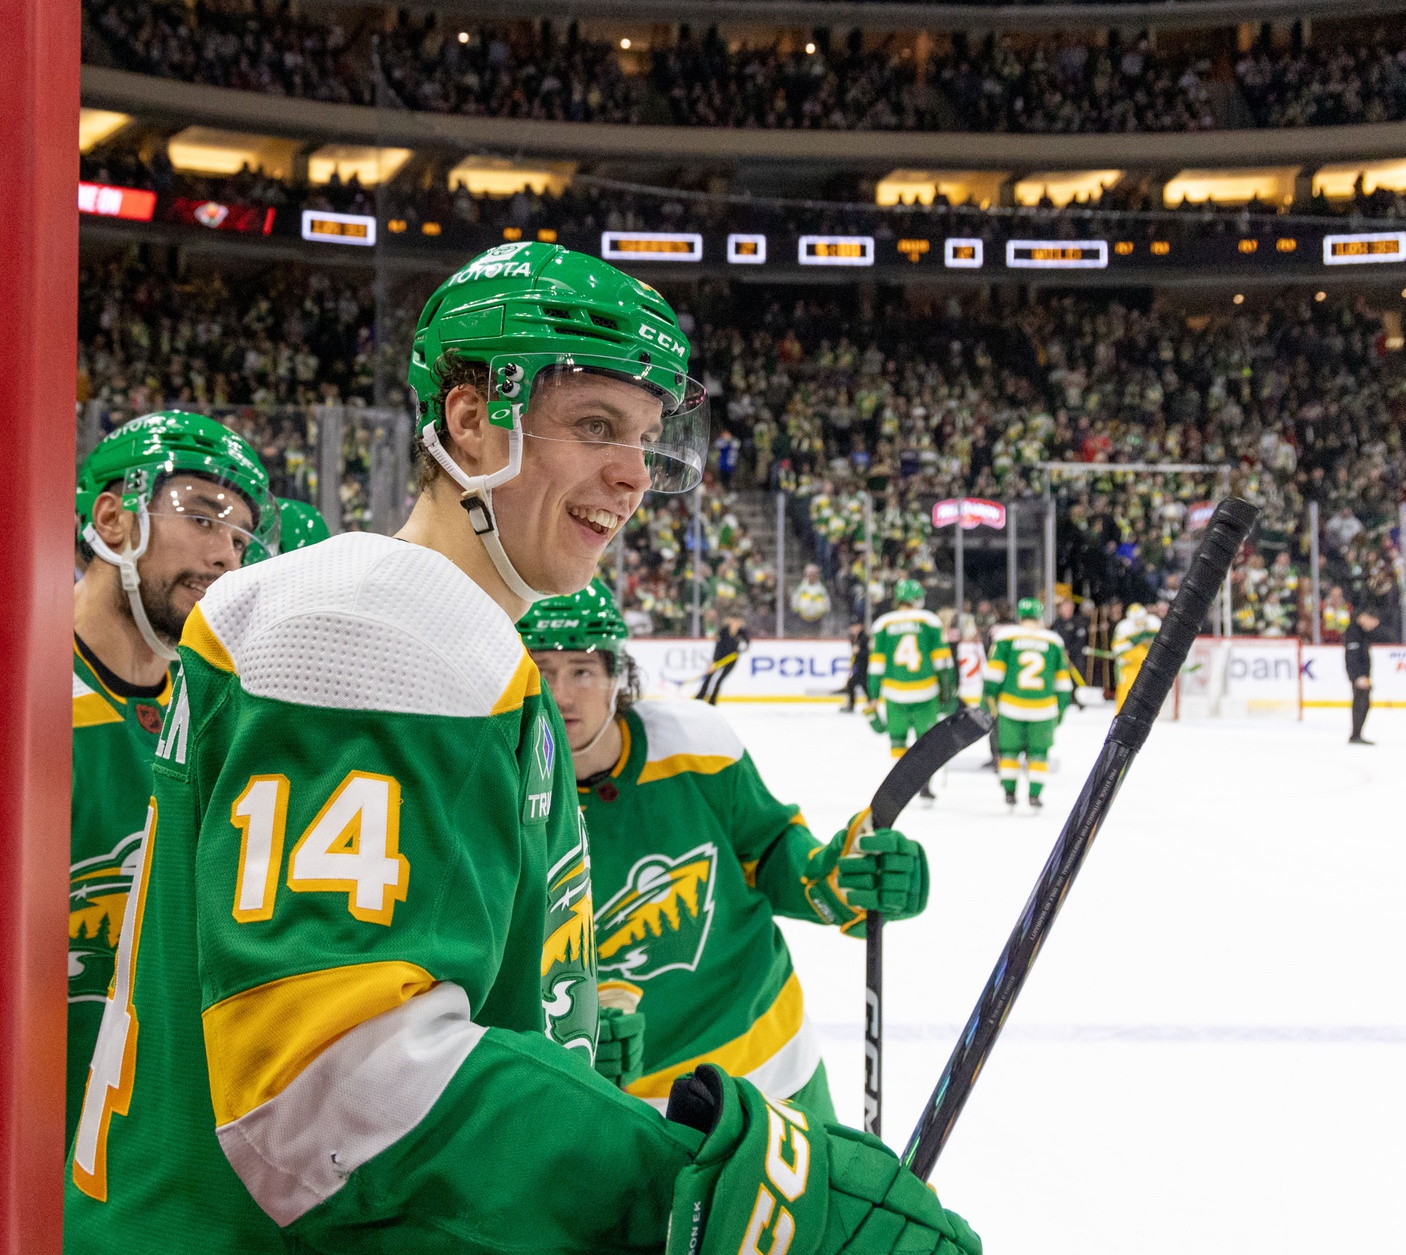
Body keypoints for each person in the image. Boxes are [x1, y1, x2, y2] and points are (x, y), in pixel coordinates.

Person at [65, 242, 978, 1255]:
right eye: (595, 427)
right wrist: (688, 1187)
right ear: (471, 417)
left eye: (645, 439)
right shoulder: (373, 629)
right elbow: (328, 1087)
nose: (633, 476)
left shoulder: (453, 641)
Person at [520, 582, 928, 1126]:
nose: (562, 695)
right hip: (622, 1118)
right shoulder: (494, 791)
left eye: (582, 670)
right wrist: (565, 1035)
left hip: (772, 1075)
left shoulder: (695, 745)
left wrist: (837, 882)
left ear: (617, 677)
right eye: (542, 672)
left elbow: (772, 851)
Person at [67, 412, 277, 1149]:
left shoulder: (222, 709)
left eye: (241, 537)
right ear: (113, 517)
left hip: (141, 1147)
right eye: (203, 516)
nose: (225, 554)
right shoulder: (30, 698)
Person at [983, 598, 1075, 810]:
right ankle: (1034, 795)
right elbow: (1062, 681)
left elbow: (994, 674)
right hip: (1043, 708)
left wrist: (989, 698)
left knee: (1009, 752)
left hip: (1011, 706)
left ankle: (1009, 792)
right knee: (1039, 754)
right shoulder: (1053, 641)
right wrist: (1061, 708)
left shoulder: (1006, 637)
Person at [867, 579, 955, 772]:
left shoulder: (882, 624)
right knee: (926, 740)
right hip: (926, 691)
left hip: (893, 693)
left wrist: (873, 695)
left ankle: (900, 781)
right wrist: (948, 694)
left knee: (897, 740)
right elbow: (943, 664)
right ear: (916, 599)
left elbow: (875, 666)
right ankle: (924, 783)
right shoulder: (930, 621)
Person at [1110, 601, 1160, 709]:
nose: (1140, 622)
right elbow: (1117, 648)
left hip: (1147, 665)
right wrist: (1132, 643)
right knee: (1126, 692)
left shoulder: (1153, 623)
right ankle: (1122, 716)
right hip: (1129, 666)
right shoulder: (1123, 627)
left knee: (1149, 693)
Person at [1344, 608, 1381, 744]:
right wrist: (1357, 676)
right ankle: (1355, 735)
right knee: (1360, 703)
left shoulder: (1363, 632)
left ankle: (1357, 734)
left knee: (1365, 704)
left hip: (1363, 674)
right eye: (1371, 624)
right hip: (1359, 675)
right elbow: (1351, 657)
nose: (1371, 628)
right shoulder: (1353, 631)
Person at [696, 613, 747, 704]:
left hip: (731, 659)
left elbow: (747, 644)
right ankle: (700, 696)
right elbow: (718, 646)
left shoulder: (742, 632)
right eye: (733, 621)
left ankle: (712, 699)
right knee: (709, 676)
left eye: (737, 622)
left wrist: (742, 648)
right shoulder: (723, 631)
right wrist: (714, 661)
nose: (735, 624)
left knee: (719, 680)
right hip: (720, 657)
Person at [792, 562, 830, 635]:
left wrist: (824, 611)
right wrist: (797, 611)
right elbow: (795, 600)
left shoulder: (821, 588)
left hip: (817, 618)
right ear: (806, 574)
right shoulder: (800, 587)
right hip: (802, 618)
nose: (812, 576)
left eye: (814, 574)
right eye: (810, 574)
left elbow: (826, 602)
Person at [843, 620, 870, 713]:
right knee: (861, 685)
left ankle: (852, 706)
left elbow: (869, 653)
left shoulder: (864, 638)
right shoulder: (854, 638)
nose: (853, 629)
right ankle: (868, 703)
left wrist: (860, 652)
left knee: (855, 684)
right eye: (852, 627)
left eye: (855, 626)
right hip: (860, 667)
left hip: (865, 667)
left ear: (861, 626)